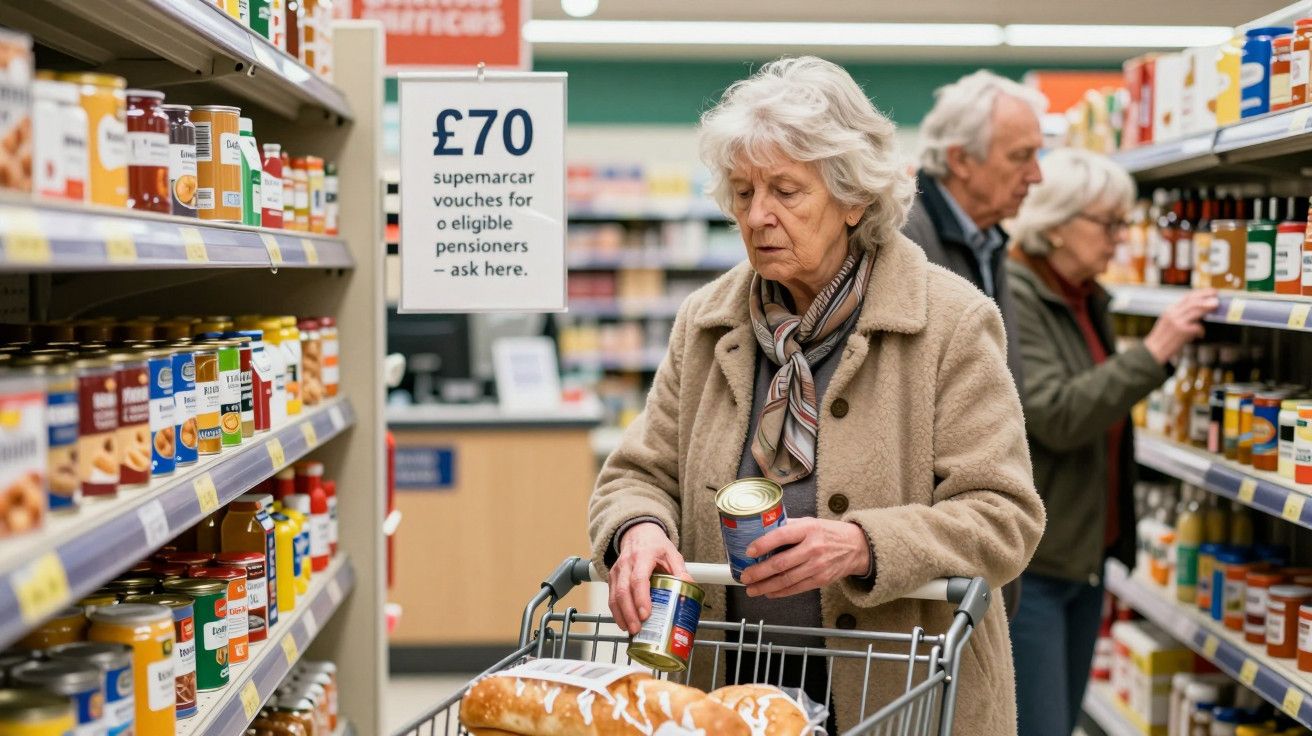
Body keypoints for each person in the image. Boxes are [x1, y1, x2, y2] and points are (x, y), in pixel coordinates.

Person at [589, 56, 1045, 735]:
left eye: (785, 191)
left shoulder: (951, 322)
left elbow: (1004, 514)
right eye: (743, 192)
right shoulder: (709, 323)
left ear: (853, 197)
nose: (758, 216)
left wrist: (865, 544)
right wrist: (639, 530)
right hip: (730, 691)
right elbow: (639, 473)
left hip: (900, 693)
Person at [1005, 148, 1216, 736]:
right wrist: (1153, 353)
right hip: (1036, 563)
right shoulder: (1017, 293)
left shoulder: (1084, 295)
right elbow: (1057, 414)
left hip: (1083, 556)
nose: (1122, 238)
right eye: (1109, 222)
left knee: (1061, 721)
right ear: (1057, 221)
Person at [903, 70, 1048, 391]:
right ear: (961, 160)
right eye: (1021, 156)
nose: (1036, 176)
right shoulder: (904, 238)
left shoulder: (989, 238)